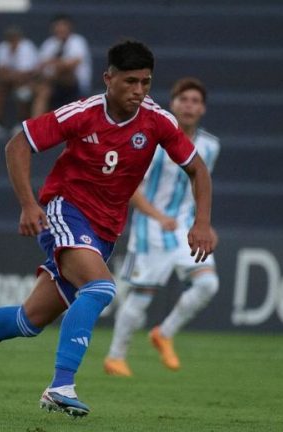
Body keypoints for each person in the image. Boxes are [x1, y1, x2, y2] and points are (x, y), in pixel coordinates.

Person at [0, 40, 216, 418]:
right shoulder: (83, 113)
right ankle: (60, 386)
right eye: (130, 81)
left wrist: (202, 222)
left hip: (104, 231)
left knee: (29, 321)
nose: (139, 91)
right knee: (102, 287)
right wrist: (28, 203)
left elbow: (197, 169)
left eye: (146, 82)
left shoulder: (158, 121)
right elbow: (18, 144)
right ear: (108, 78)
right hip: (65, 209)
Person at [104, 78, 221, 377]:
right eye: (184, 100)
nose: (190, 106)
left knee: (208, 284)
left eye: (196, 101)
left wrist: (204, 224)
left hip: (183, 227)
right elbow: (131, 189)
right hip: (150, 230)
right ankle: (115, 357)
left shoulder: (210, 146)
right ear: (173, 104)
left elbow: (198, 187)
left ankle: (164, 333)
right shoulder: (153, 143)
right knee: (142, 296)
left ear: (203, 108)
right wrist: (158, 217)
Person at [30, 14, 92, 117]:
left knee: (65, 72)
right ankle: (35, 127)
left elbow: (72, 65)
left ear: (69, 27)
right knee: (41, 90)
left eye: (63, 26)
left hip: (74, 85)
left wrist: (52, 63)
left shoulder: (78, 41)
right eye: (57, 26)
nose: (60, 29)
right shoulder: (49, 43)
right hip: (52, 84)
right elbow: (39, 67)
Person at [0, 26, 39, 139]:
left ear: (19, 38)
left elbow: (26, 74)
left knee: (21, 89)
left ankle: (21, 122)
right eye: (10, 38)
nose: (12, 41)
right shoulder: (2, 47)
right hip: (8, 82)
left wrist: (10, 74)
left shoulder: (27, 47)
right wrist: (12, 75)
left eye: (15, 38)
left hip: (27, 82)